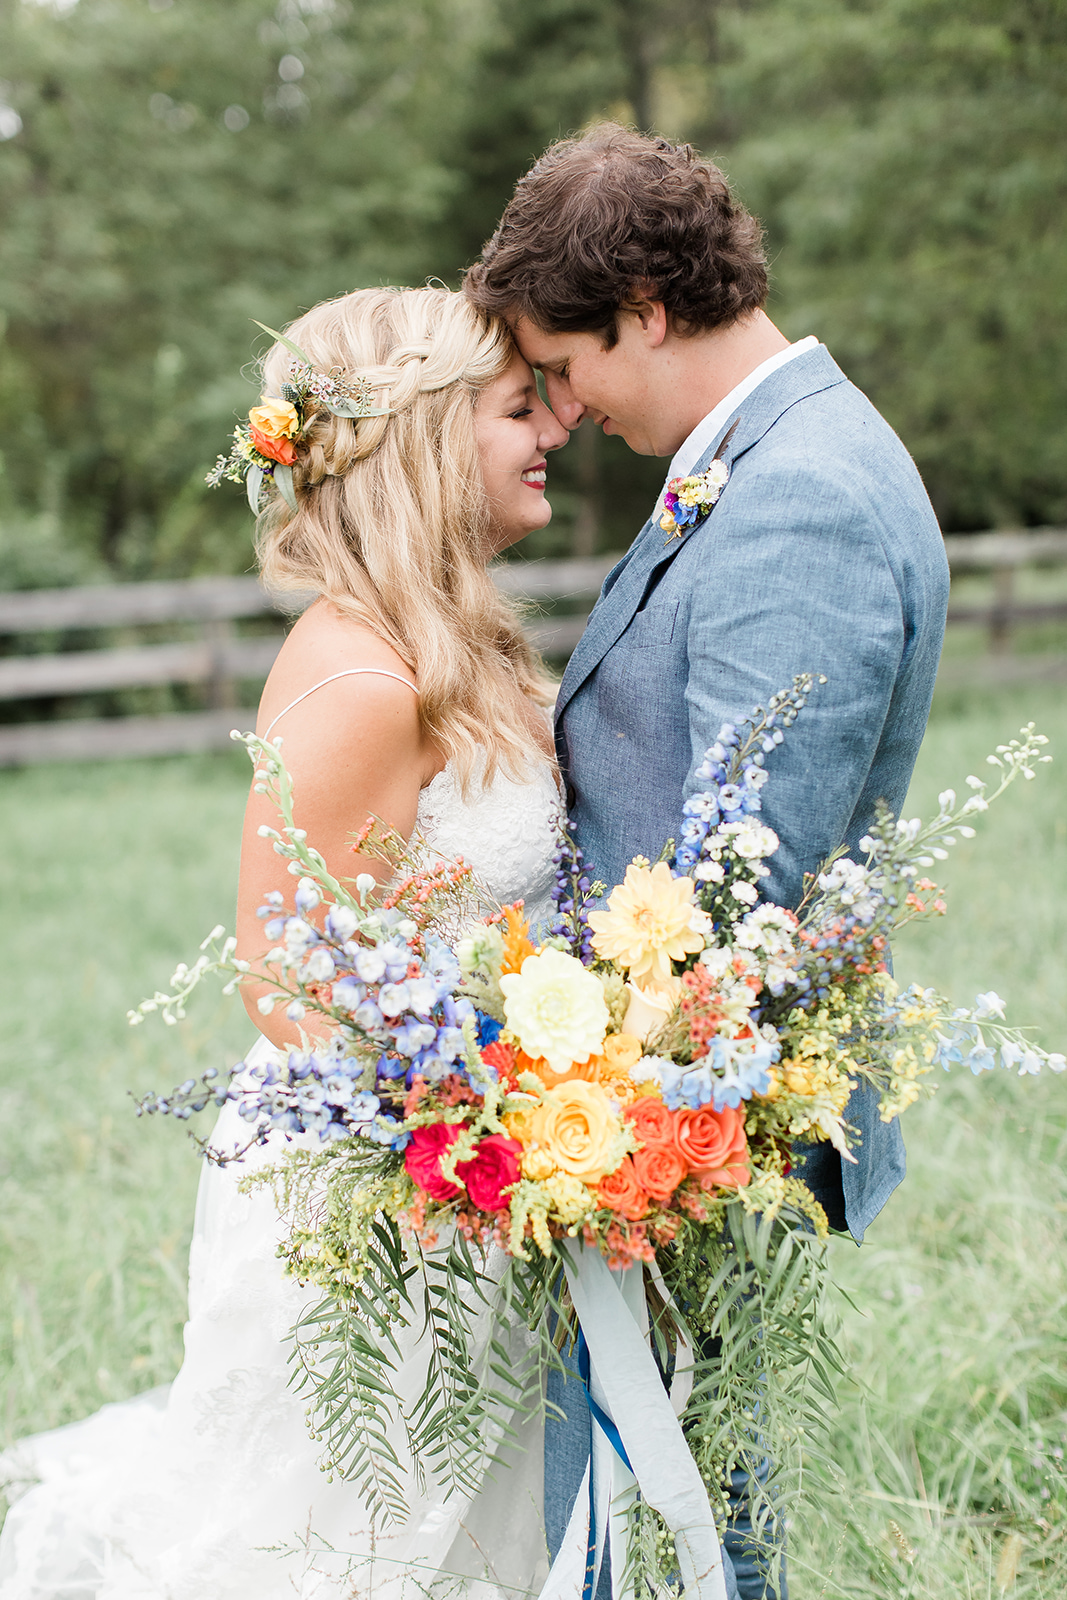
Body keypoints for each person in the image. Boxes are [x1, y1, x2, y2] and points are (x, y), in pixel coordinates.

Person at [0, 286, 569, 1599]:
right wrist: (459, 1121)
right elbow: (285, 973)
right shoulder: (369, 681)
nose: (546, 430)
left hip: (474, 1157)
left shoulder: (453, 643)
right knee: (336, 1535)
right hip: (385, 1181)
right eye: (509, 408)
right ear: (429, 439)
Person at [465, 122, 951, 1600]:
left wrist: (587, 1089)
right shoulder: (757, 454)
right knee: (652, 1502)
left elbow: (741, 879)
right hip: (638, 1104)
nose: (567, 406)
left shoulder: (798, 494)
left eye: (568, 363)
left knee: (676, 1513)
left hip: (681, 1113)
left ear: (650, 311)